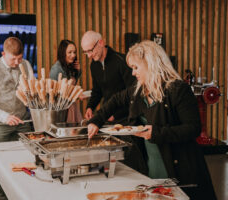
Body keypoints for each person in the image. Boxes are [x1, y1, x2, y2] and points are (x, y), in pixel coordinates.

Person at [87, 40, 217, 200]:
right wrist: (96, 120)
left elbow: (193, 128)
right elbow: (115, 100)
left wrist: (157, 133)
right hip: (150, 165)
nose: (133, 73)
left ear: (150, 64)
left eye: (136, 67)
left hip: (179, 167)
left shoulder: (178, 90)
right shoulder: (139, 89)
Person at [0, 37, 33, 200]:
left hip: (23, 121)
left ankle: (22, 194)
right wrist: (4, 116)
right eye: (12, 59)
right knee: (1, 164)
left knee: (25, 159)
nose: (17, 62)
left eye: (19, 58)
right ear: (3, 53)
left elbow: (32, 91)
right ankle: (3, 197)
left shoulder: (26, 65)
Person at [81, 30, 136, 124]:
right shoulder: (94, 65)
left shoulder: (122, 61)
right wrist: (90, 107)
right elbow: (97, 91)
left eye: (90, 50)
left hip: (125, 119)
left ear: (101, 43)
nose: (89, 56)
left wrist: (116, 115)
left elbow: (133, 94)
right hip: (107, 116)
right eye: (86, 52)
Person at [50, 39, 83, 123]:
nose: (73, 55)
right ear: (63, 53)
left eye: (74, 52)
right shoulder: (56, 69)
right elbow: (54, 94)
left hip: (71, 106)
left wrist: (78, 71)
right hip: (61, 110)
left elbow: (73, 84)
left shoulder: (69, 66)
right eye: (70, 52)